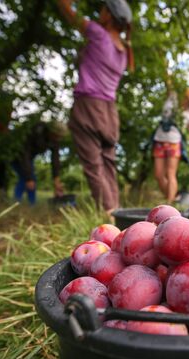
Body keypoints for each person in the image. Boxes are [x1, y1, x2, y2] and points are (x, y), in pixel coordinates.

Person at [56, 0, 133, 216]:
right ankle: (118, 213)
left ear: (109, 15)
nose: (99, 12)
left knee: (93, 164)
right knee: (108, 163)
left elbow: (69, 14)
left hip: (90, 106)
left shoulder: (98, 34)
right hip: (110, 112)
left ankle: (108, 214)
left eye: (102, 9)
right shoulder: (124, 52)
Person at [152, 85, 189, 203]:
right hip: (159, 140)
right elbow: (169, 81)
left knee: (171, 173)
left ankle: (169, 203)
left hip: (174, 143)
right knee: (158, 174)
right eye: (188, 100)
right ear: (184, 97)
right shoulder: (172, 99)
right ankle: (172, 197)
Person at [11, 122, 65, 205]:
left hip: (28, 159)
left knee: (30, 180)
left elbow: (55, 160)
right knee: (26, 179)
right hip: (18, 156)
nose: (58, 139)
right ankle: (18, 204)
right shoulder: (37, 132)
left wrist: (56, 180)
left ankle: (29, 205)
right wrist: (29, 178)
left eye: (60, 137)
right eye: (57, 136)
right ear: (51, 132)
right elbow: (25, 153)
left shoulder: (54, 140)